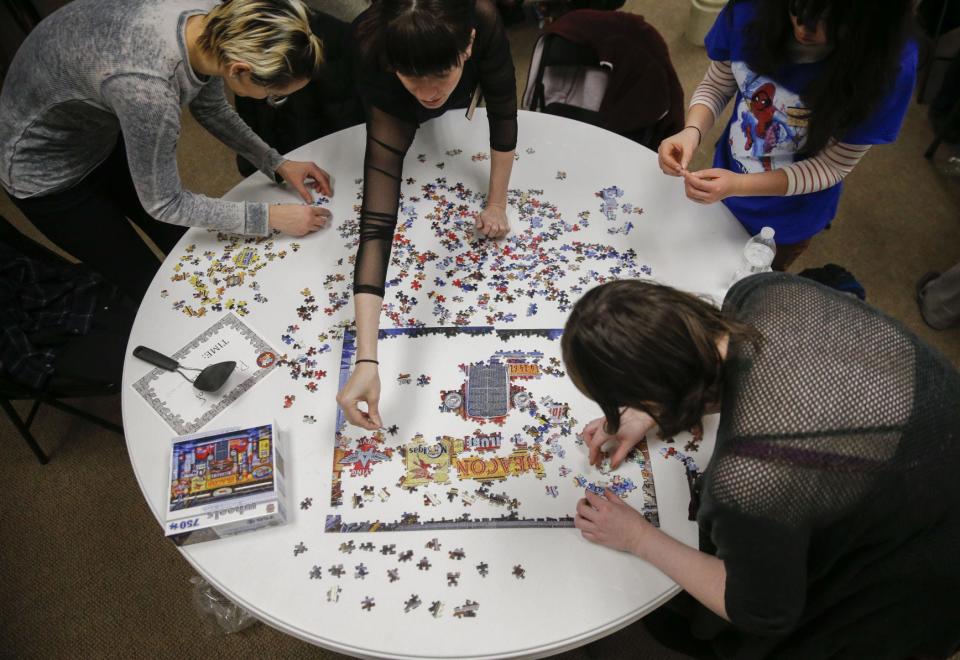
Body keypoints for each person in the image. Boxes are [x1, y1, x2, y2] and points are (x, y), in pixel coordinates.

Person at [561, 275, 960, 658]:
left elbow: (760, 609)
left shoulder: (751, 478)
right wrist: (654, 412)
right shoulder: (760, 293)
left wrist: (638, 538)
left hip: (926, 563)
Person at [0, 0, 334, 303]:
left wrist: (276, 162)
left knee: (191, 248)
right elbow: (164, 202)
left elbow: (212, 109)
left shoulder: (213, 20)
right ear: (240, 70)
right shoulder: (148, 92)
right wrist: (270, 217)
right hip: (44, 175)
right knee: (151, 287)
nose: (272, 101)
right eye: (275, 95)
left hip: (96, 130)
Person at [336, 0, 518, 429]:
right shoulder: (370, 46)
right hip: (386, 76)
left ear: (468, 44)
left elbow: (503, 112)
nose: (430, 92)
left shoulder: (481, 20)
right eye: (414, 79)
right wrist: (366, 358)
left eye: (440, 75)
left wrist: (496, 203)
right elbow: (376, 223)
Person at [658, 0, 917, 271]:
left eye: (827, 20)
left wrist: (739, 186)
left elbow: (834, 165)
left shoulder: (890, 66)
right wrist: (692, 130)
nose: (804, 28)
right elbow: (718, 83)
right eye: (796, 8)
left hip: (788, 218)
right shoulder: (750, 9)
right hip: (728, 170)